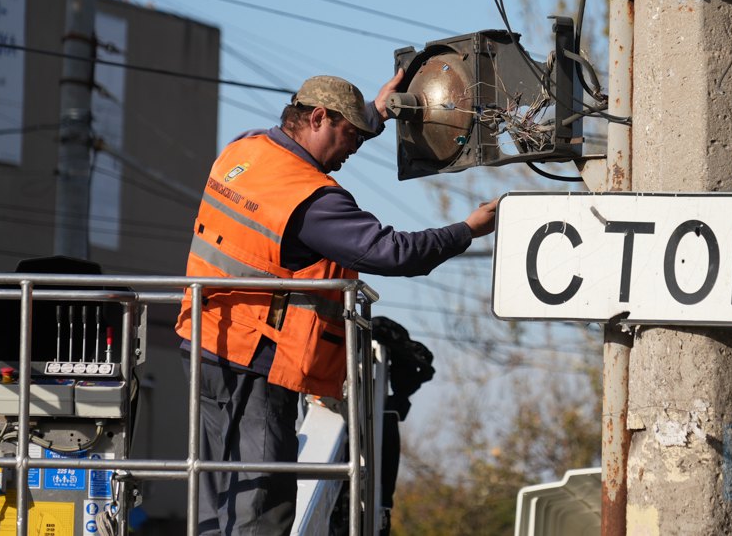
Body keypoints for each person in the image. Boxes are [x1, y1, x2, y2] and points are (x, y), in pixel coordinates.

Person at [175, 70, 498, 535]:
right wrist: (466, 230)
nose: (352, 149)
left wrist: (375, 113)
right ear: (319, 117)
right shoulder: (312, 200)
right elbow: (393, 252)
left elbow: (317, 147)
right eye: (350, 136)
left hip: (204, 343)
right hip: (255, 362)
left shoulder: (244, 150)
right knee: (260, 502)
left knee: (215, 489)